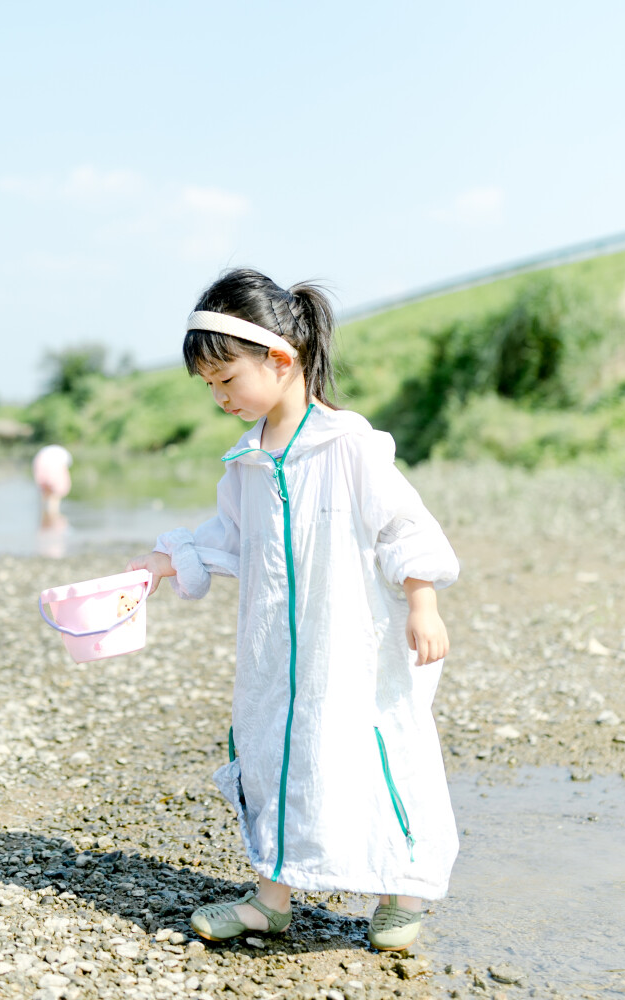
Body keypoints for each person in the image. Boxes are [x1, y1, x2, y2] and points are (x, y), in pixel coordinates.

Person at [126, 268, 460, 951]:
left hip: (353, 644)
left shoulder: (350, 448)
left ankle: (402, 892)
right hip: (275, 649)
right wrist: (166, 563)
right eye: (210, 387)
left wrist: (422, 604)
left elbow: (405, 527)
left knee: (376, 751)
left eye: (227, 380)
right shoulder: (246, 463)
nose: (220, 397)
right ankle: (270, 897)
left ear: (281, 359)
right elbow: (228, 541)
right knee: (278, 750)